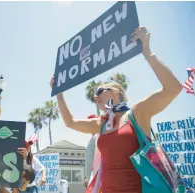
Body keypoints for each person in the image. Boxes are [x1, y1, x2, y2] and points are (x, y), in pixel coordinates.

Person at [50, 26, 182, 193]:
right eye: (94, 98)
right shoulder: (103, 124)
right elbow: (70, 122)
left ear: (116, 92)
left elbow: (173, 88)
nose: (96, 98)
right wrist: (59, 94)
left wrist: (147, 52)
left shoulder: (137, 113)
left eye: (99, 91)